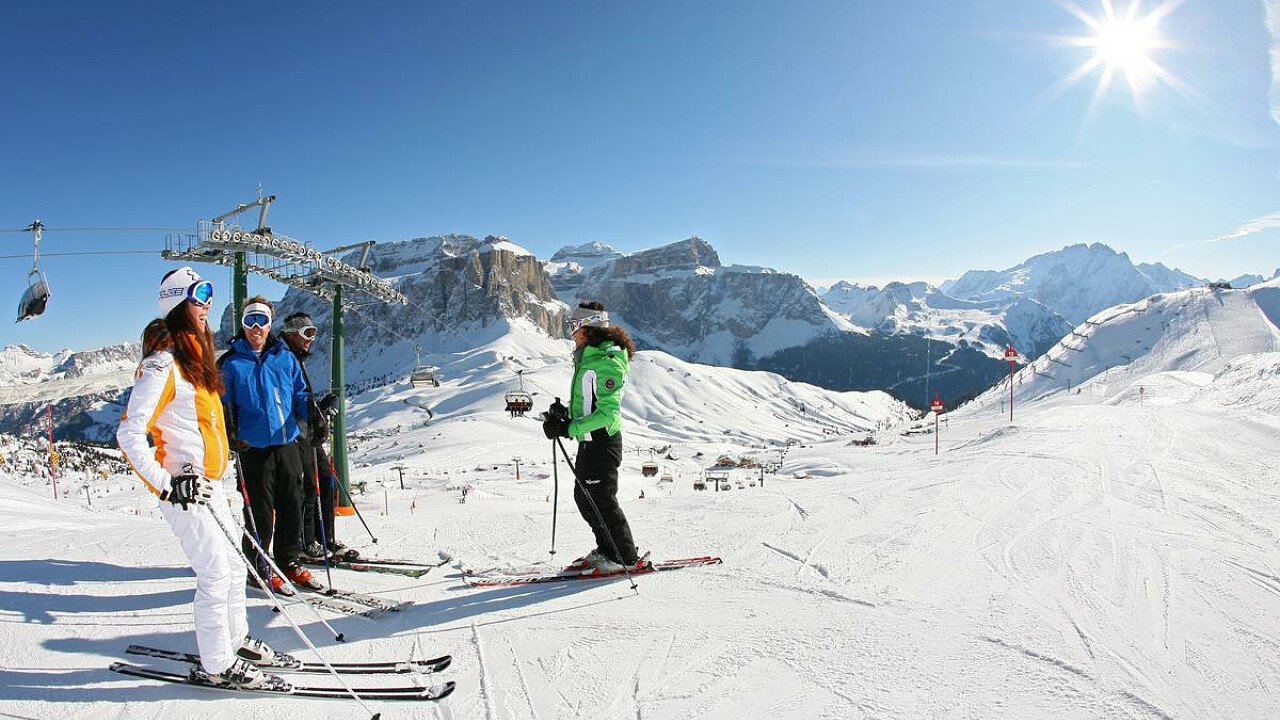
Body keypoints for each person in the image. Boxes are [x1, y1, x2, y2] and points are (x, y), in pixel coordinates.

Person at [116, 267, 278, 688]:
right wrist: (168, 483)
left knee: (235, 563)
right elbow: (130, 433)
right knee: (214, 573)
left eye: (209, 293)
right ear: (176, 301)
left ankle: (236, 639)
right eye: (198, 295)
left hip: (216, 488)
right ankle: (218, 663)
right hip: (186, 492)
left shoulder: (196, 362)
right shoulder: (163, 364)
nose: (207, 303)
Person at [542, 301, 651, 573]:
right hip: (590, 442)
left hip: (603, 441)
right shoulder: (589, 357)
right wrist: (565, 414)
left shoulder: (606, 362)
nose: (571, 333)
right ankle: (608, 549)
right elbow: (588, 403)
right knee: (585, 497)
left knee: (601, 500)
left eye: (574, 327)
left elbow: (607, 413)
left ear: (587, 329)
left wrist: (568, 429)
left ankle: (624, 558)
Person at [219, 297, 316, 590]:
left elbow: (299, 393)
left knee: (292, 503)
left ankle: (289, 559)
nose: (256, 327)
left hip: (287, 442)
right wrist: (230, 432)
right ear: (243, 324)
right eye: (250, 321)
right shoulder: (232, 363)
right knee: (259, 511)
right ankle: (258, 565)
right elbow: (223, 404)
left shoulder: (284, 357)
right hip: (253, 448)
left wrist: (313, 415)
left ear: (270, 324)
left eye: (262, 320)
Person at [279, 312, 349, 561]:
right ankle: (307, 541)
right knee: (309, 486)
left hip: (309, 431)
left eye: (313, 333)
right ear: (291, 334)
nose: (311, 340)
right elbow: (287, 401)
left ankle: (324, 537)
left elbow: (301, 399)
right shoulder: (284, 358)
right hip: (296, 434)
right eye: (306, 334)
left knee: (326, 480)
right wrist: (314, 412)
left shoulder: (296, 359)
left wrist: (320, 408)